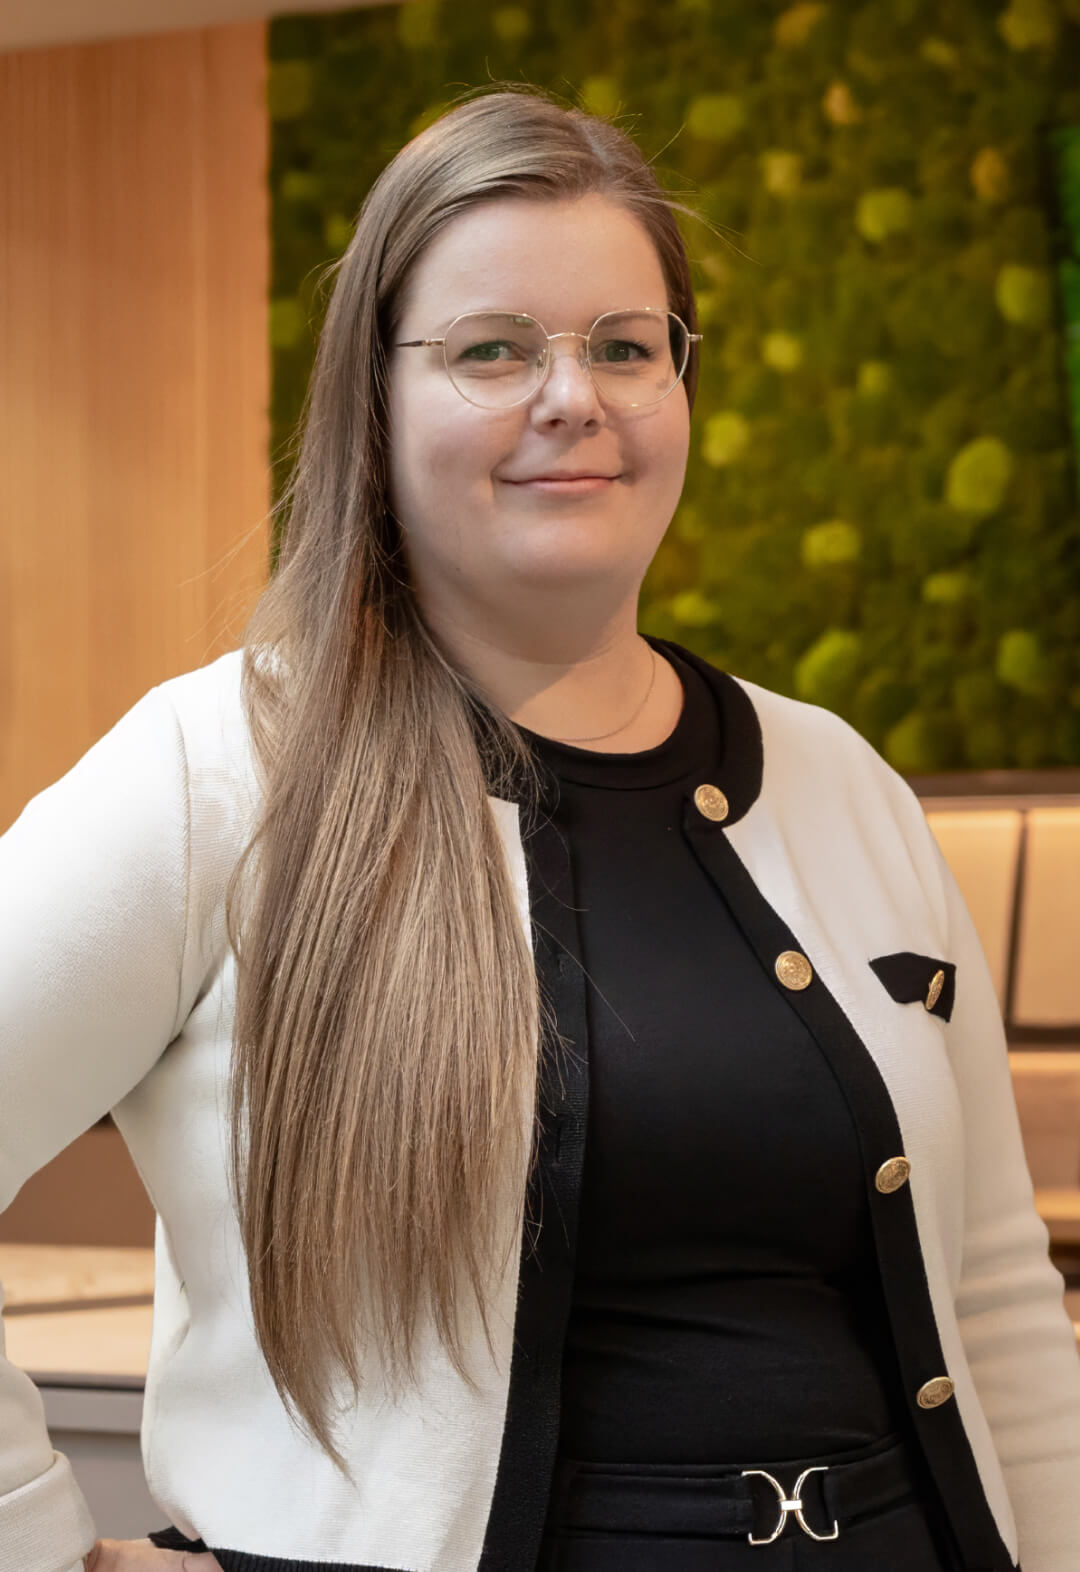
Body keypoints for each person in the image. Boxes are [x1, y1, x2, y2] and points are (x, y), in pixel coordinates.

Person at [2, 83, 1079, 1572]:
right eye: (492, 349)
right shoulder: (224, 770)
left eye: (625, 348)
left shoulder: (840, 783)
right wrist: (40, 1551)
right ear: (372, 399)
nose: (572, 397)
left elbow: (1000, 1300)